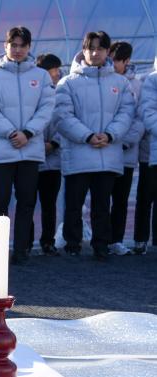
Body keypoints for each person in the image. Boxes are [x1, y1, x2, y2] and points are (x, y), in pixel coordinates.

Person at [0, 26, 55, 264]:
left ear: (29, 47)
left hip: (30, 152)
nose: (18, 49)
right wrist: (12, 133)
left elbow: (47, 108)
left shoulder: (41, 76)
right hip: (3, 151)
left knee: (26, 201)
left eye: (23, 45)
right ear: (5, 46)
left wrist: (29, 132)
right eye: (14, 45)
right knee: (0, 201)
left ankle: (22, 250)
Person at [55, 31, 135, 261]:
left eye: (100, 48)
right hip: (79, 154)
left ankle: (101, 244)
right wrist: (88, 136)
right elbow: (63, 117)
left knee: (102, 204)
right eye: (90, 48)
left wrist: (110, 135)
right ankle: (72, 243)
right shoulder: (68, 83)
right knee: (74, 204)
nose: (94, 53)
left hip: (107, 155)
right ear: (83, 50)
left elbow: (127, 112)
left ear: (107, 52)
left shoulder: (120, 83)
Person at [108, 41, 144, 255]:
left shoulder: (137, 85)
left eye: (116, 61)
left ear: (127, 61)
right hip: (102, 150)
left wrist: (123, 141)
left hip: (125, 153)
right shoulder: (101, 81)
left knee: (120, 199)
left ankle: (116, 240)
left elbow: (139, 119)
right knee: (102, 199)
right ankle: (101, 239)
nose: (112, 64)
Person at [34, 53, 64, 256]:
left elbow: (64, 121)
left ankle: (48, 241)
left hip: (52, 159)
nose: (57, 73)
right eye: (53, 69)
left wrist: (54, 143)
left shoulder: (61, 92)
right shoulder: (31, 92)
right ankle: (24, 242)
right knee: (26, 203)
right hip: (31, 158)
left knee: (49, 204)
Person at [134, 58, 157, 255]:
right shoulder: (152, 80)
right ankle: (141, 240)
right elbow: (147, 112)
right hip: (151, 152)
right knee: (146, 196)